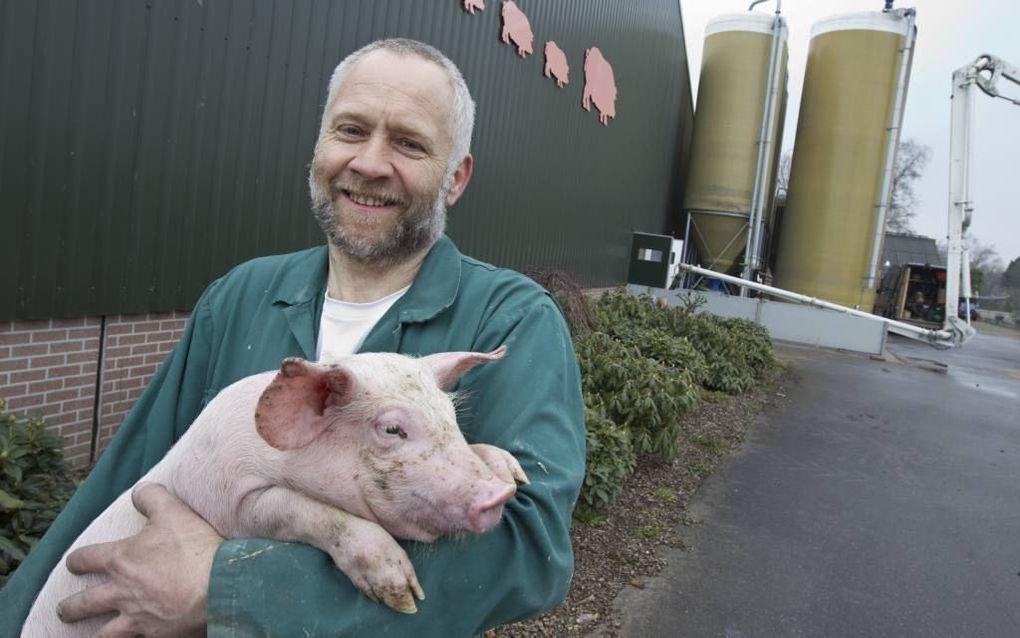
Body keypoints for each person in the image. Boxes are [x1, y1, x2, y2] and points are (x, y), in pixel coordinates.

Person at [2, 38, 586, 636]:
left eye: (409, 143)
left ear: (455, 178)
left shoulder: (511, 319)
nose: (370, 163)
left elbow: (527, 554)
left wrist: (227, 589)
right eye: (351, 131)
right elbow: (130, 472)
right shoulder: (240, 294)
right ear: (320, 147)